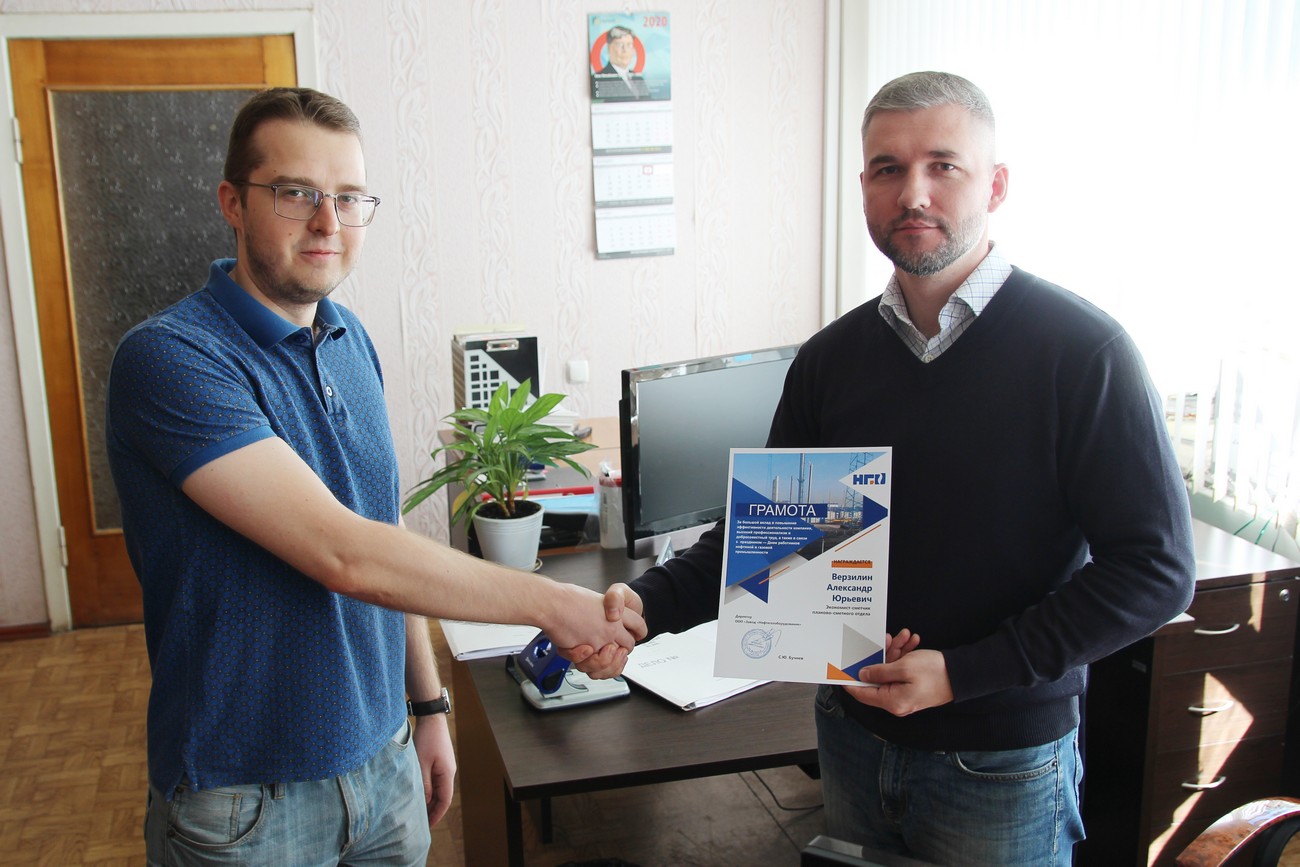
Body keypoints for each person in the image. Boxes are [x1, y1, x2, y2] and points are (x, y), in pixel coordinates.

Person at [572, 71, 1195, 865]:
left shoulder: (1081, 354)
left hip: (998, 761)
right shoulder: (831, 362)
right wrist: (644, 604)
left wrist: (962, 673)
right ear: (863, 184)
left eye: (944, 165)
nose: (913, 194)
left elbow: (1156, 569)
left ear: (996, 185)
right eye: (887, 169)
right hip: (850, 736)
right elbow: (774, 538)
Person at [106, 87, 644, 867]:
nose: (329, 222)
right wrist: (554, 604)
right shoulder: (171, 358)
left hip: (382, 765)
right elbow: (344, 553)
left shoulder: (349, 338)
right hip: (245, 801)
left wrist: (427, 706)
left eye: (350, 197)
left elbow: (380, 527)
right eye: (296, 193)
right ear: (233, 202)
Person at [593, 25, 649, 100]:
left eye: (629, 45)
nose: (625, 50)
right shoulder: (599, 79)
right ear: (609, 48)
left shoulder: (638, 78)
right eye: (620, 45)